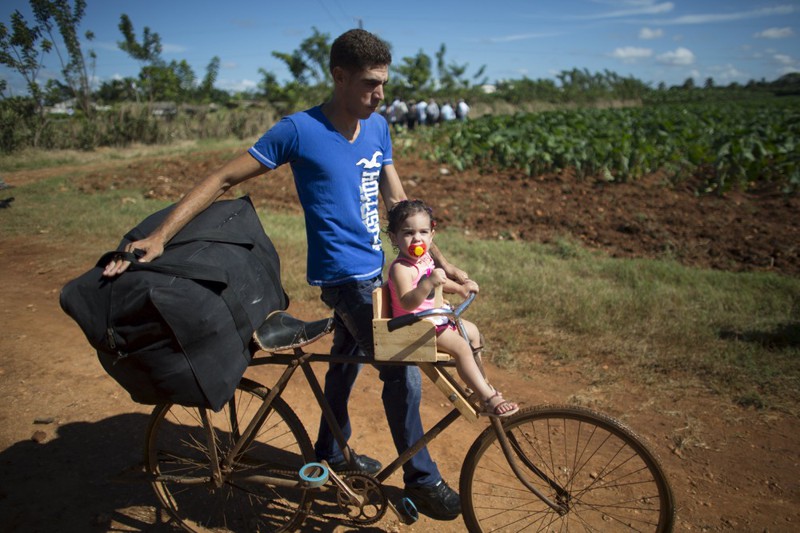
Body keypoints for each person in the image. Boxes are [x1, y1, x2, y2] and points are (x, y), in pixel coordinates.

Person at [102, 28, 465, 521]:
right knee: (403, 365)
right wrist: (161, 235)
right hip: (342, 279)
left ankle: (329, 455)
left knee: (344, 363)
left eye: (383, 83)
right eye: (369, 84)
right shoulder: (299, 130)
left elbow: (399, 206)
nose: (380, 94)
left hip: (374, 273)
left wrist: (438, 261)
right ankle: (421, 478)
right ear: (339, 76)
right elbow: (224, 177)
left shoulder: (377, 127)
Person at [386, 200, 519, 417]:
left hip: (432, 319)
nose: (417, 238)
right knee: (461, 347)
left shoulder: (424, 258)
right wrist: (427, 284)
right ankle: (488, 396)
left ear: (432, 236)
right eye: (408, 232)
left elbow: (442, 282)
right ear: (394, 237)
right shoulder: (402, 268)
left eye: (423, 232)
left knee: (473, 332)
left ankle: (479, 384)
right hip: (414, 326)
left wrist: (460, 288)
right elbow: (406, 302)